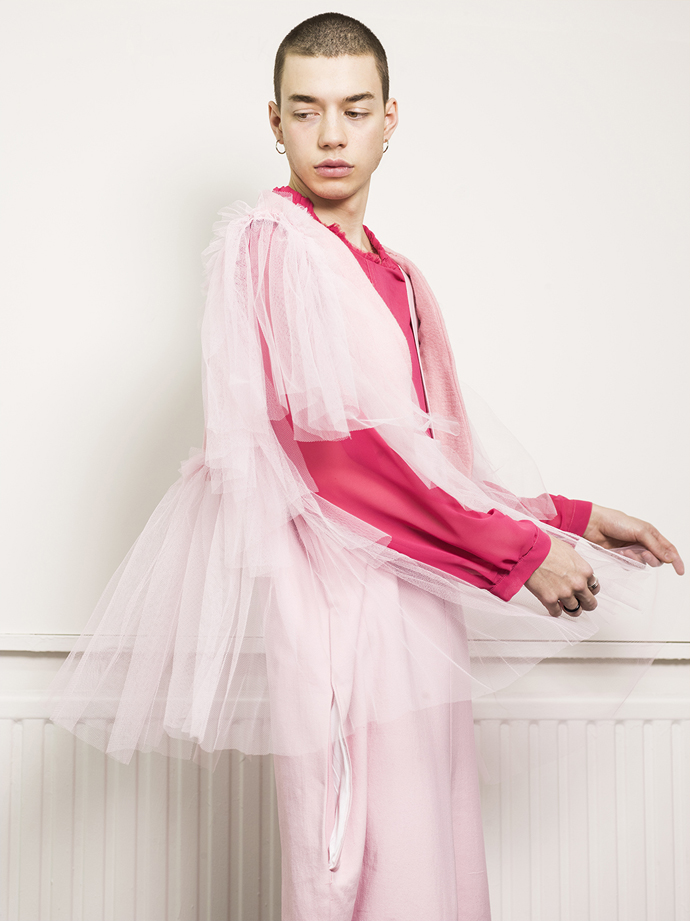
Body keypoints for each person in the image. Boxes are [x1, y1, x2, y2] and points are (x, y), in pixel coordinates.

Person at [50, 13, 684, 921]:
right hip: (341, 613)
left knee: (427, 861)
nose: (332, 134)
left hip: (418, 609)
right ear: (275, 121)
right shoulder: (272, 245)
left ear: (391, 119)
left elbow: (434, 468)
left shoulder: (401, 275)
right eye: (307, 110)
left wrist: (570, 518)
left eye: (354, 109)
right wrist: (516, 554)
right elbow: (337, 461)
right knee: (356, 868)